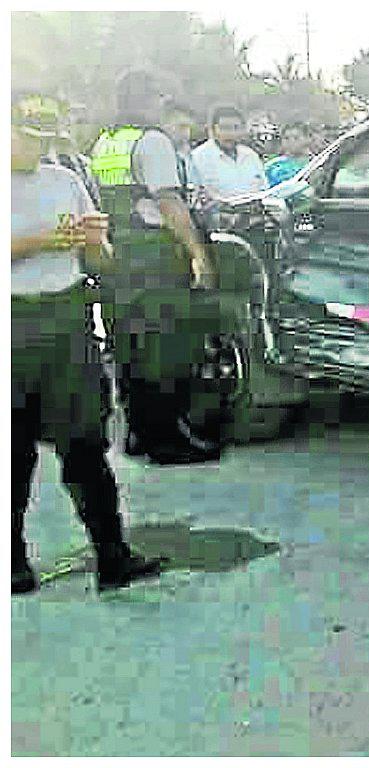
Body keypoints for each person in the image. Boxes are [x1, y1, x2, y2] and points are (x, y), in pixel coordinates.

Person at [11, 93, 164, 594]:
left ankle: (112, 557)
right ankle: (13, 562)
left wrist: (94, 241)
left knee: (85, 446)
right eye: (26, 139)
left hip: (67, 322)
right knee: (14, 454)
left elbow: (101, 261)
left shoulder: (65, 181)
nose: (37, 151)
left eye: (43, 141)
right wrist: (40, 242)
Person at [89, 69, 217, 461]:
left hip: (121, 254)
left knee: (130, 347)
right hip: (155, 254)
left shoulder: (105, 142)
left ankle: (139, 433)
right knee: (165, 346)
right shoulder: (153, 142)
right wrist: (198, 253)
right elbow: (169, 203)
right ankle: (167, 441)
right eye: (162, 98)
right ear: (149, 99)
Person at [187, 105, 268, 201]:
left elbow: (264, 189)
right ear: (213, 130)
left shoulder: (251, 156)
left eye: (236, 128)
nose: (230, 133)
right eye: (225, 128)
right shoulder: (197, 158)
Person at [264, 122, 311, 187]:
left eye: (296, 138)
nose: (291, 142)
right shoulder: (273, 165)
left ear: (308, 139)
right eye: (286, 138)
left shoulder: (315, 164)